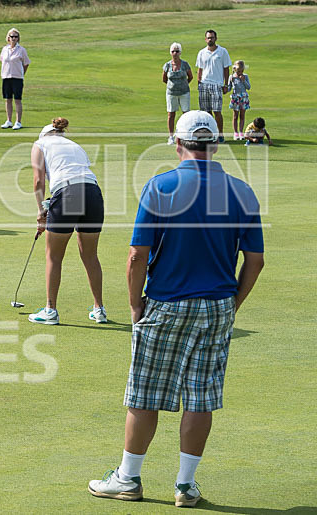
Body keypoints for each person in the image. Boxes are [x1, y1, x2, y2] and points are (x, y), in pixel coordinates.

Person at [87, 111, 265, 508]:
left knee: (145, 394)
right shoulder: (243, 191)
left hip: (166, 302)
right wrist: (231, 305)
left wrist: (135, 304)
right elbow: (255, 261)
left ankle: (128, 478)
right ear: (215, 144)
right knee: (201, 397)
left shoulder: (160, 186)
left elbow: (137, 256)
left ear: (178, 142)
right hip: (217, 307)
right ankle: (185, 486)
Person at [28, 117, 106, 325]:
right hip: (93, 193)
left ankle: (50, 310)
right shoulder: (74, 145)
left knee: (54, 256)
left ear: (44, 135)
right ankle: (99, 310)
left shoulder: (40, 144)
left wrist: (39, 212)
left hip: (68, 192)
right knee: (90, 255)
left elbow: (38, 179)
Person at [196, 29, 231, 143]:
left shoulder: (222, 51)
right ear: (205, 39)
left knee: (217, 111)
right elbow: (200, 70)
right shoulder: (201, 52)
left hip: (217, 85)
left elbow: (226, 69)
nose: (210, 39)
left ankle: (220, 134)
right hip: (204, 84)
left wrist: (226, 84)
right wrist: (199, 83)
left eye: (212, 37)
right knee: (206, 113)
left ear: (216, 38)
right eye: (208, 38)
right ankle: (209, 134)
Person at [0, 28, 30, 130]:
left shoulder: (21, 50)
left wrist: (22, 73)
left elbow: (26, 63)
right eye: (11, 36)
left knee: (17, 100)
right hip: (6, 77)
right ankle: (8, 120)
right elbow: (2, 61)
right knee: (8, 99)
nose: (13, 38)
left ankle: (18, 121)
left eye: (15, 37)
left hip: (17, 78)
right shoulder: (4, 49)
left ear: (18, 38)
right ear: (8, 38)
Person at [162, 42, 192, 145]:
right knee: (171, 114)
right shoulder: (167, 65)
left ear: (180, 52)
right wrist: (173, 86)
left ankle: (185, 135)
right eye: (173, 51)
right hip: (171, 93)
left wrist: (183, 84)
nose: (175, 53)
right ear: (170, 53)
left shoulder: (185, 64)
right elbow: (164, 79)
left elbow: (190, 77)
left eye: (177, 51)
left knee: (186, 113)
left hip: (184, 92)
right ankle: (171, 136)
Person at [227, 60, 250, 140]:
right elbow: (229, 88)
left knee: (242, 115)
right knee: (235, 116)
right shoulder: (232, 77)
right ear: (235, 69)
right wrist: (227, 85)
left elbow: (248, 87)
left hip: (243, 98)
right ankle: (235, 132)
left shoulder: (245, 76)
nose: (241, 72)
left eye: (242, 70)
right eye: (239, 71)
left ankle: (241, 132)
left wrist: (243, 80)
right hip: (235, 98)